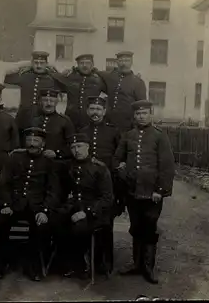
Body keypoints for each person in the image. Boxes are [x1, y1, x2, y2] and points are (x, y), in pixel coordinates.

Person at [114, 100, 175, 284]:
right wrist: (122, 169)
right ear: (134, 116)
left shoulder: (159, 136)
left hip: (152, 193)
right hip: (133, 191)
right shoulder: (128, 135)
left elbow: (167, 166)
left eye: (145, 113)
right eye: (138, 114)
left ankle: (148, 267)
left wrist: (160, 190)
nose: (141, 116)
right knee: (136, 226)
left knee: (149, 227)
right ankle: (136, 264)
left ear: (151, 114)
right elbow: (117, 158)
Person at [0, 127, 61, 281]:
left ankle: (32, 266)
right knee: (0, 224)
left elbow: (53, 190)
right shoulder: (14, 158)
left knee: (41, 228)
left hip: (37, 207)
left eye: (36, 141)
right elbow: (4, 184)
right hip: (14, 204)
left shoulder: (49, 162)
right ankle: (0, 263)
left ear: (43, 143)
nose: (32, 144)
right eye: (29, 140)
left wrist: (44, 210)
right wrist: (5, 205)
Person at [54, 133, 113, 279]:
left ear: (88, 147)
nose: (76, 150)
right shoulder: (68, 166)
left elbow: (107, 197)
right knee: (55, 221)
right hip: (73, 206)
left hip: (95, 210)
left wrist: (86, 212)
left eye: (79, 146)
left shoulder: (99, 167)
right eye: (73, 147)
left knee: (79, 228)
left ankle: (82, 264)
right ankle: (64, 262)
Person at [78, 96, 122, 274]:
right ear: (88, 111)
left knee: (106, 224)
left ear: (104, 111)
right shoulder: (82, 131)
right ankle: (88, 262)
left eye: (98, 109)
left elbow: (119, 160)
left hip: (107, 185)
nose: (95, 112)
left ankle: (106, 263)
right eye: (92, 109)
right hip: (87, 186)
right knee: (86, 222)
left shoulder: (113, 132)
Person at [4, 51, 69, 137]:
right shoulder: (24, 76)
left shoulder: (52, 79)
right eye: (36, 63)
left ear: (47, 64)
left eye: (42, 63)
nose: (38, 66)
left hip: (43, 119)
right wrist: (24, 64)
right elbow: (3, 75)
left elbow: (68, 86)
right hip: (23, 118)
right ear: (31, 63)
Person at [100, 51, 147, 133]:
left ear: (131, 62)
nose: (123, 64)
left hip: (127, 125)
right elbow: (96, 72)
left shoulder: (138, 82)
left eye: (126, 61)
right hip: (109, 122)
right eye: (121, 61)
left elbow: (142, 106)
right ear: (117, 62)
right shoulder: (110, 76)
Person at [22, 88, 75, 160]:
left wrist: (57, 153)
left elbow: (72, 144)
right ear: (40, 102)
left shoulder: (64, 121)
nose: (49, 103)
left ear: (56, 103)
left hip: (56, 162)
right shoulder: (33, 120)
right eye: (45, 100)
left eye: (52, 101)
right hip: (35, 162)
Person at [60, 54, 107, 131]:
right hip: (71, 118)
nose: (85, 66)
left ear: (92, 65)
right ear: (77, 65)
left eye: (88, 63)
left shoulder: (98, 80)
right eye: (81, 63)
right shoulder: (70, 77)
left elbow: (112, 92)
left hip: (89, 120)